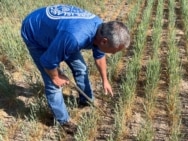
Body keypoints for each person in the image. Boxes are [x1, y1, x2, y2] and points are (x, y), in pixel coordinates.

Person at [21, 4, 130, 134]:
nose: (113, 54)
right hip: (35, 32)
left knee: (81, 68)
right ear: (104, 41)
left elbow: (99, 56)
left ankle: (86, 100)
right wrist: (56, 76)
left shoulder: (101, 30)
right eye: (114, 51)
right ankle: (63, 121)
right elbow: (48, 61)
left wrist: (105, 80)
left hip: (61, 33)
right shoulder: (75, 38)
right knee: (53, 84)